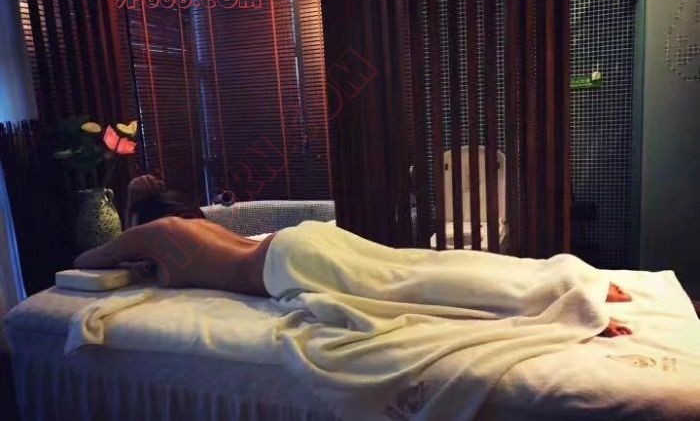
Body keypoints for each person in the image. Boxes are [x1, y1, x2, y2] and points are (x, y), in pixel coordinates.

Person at [74, 175, 633, 337]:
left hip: (283, 264)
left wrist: (126, 225)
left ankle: (568, 298)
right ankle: (563, 278)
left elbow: (88, 255)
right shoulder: (191, 224)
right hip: (299, 241)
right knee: (421, 267)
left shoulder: (153, 235)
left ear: (139, 215)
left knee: (416, 287)